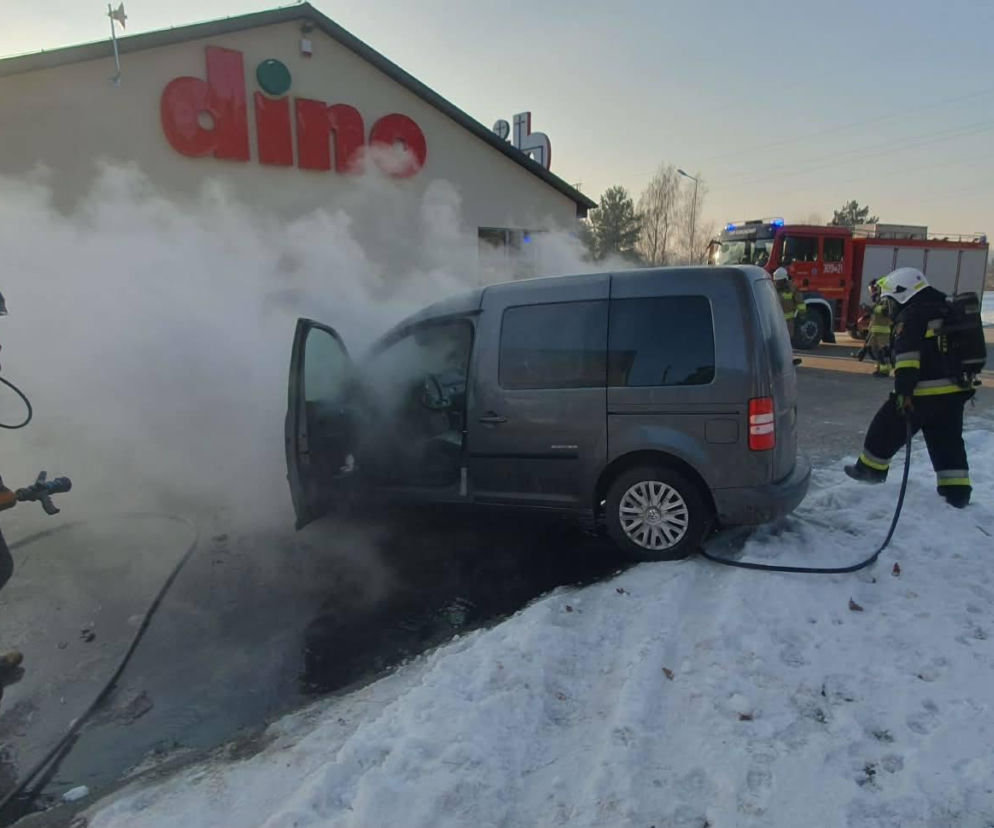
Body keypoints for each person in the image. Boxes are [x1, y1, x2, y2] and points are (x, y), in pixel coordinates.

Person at [844, 267, 974, 508]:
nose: (890, 307)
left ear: (901, 294)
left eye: (891, 300)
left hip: (922, 392)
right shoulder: (945, 306)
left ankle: (869, 471)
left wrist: (903, 393)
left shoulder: (912, 315)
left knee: (884, 427)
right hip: (954, 391)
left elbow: (909, 359)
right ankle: (957, 493)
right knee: (948, 441)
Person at [863, 280, 893, 377]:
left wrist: (872, 309)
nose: (872, 291)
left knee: (883, 352)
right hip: (876, 331)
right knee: (876, 352)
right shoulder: (879, 299)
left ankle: (885, 371)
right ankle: (879, 369)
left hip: (883, 331)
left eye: (873, 289)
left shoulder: (886, 299)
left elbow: (885, 311)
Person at [773, 267, 806, 340]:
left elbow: (800, 302)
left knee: (787, 338)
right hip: (775, 319)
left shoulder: (792, 288)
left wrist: (802, 314)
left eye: (779, 281)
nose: (777, 283)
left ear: (784, 279)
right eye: (776, 281)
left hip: (788, 320)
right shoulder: (772, 287)